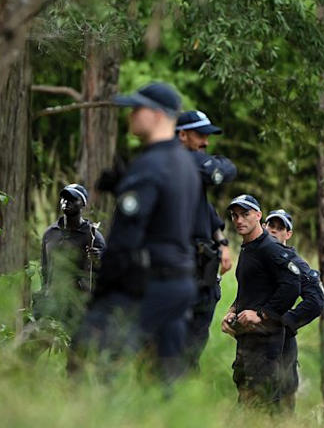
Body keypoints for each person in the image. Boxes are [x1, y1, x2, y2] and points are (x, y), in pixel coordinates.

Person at [71, 82, 201, 384]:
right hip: (181, 284)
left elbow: (123, 240)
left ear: (156, 115)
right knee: (164, 380)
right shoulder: (185, 165)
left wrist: (102, 293)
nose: (130, 115)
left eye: (136, 109)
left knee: (90, 358)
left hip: (146, 284)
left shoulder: (149, 165)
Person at [221, 195, 301, 410]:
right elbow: (253, 290)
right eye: (234, 215)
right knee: (248, 401)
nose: (239, 220)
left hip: (266, 342)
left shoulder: (270, 248)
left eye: (245, 214)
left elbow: (293, 285)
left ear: (258, 216)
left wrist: (263, 314)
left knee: (263, 406)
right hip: (247, 339)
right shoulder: (249, 248)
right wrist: (232, 311)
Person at [176, 110, 237, 370]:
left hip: (202, 275)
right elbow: (223, 170)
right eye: (201, 135)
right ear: (182, 135)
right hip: (179, 273)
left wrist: (222, 242)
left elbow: (207, 211)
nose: (206, 142)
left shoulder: (194, 172)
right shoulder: (178, 163)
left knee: (193, 349)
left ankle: (188, 405)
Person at [264, 209, 324, 411]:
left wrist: (287, 323)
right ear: (264, 227)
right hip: (254, 340)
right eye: (271, 226)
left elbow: (316, 300)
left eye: (280, 228)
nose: (274, 231)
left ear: (288, 234)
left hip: (282, 342)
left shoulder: (294, 262)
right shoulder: (255, 255)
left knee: (282, 402)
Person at [36, 183, 105, 332]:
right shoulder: (50, 233)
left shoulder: (93, 236)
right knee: (36, 340)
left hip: (78, 303)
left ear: (83, 204)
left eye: (73, 199)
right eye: (64, 198)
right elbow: (45, 268)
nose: (66, 202)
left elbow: (105, 273)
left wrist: (98, 259)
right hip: (52, 299)